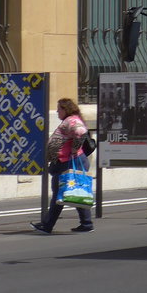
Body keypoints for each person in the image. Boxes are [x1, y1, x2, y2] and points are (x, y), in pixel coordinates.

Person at [30, 98, 93, 233]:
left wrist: (75, 149)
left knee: (60, 194)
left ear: (66, 109)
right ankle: (87, 224)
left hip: (70, 162)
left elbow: (81, 132)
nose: (57, 111)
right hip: (68, 161)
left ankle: (47, 225)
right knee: (76, 191)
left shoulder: (71, 120)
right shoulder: (71, 119)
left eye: (59, 109)